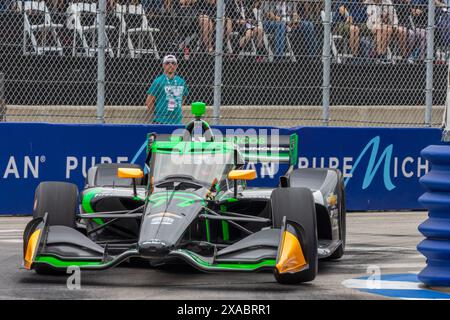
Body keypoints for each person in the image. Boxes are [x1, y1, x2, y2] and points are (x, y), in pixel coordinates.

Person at [146, 55, 189, 124]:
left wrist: (177, 106)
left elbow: (183, 96)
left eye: (173, 63)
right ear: (163, 65)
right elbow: (149, 101)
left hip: (177, 121)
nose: (170, 65)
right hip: (161, 120)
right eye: (167, 63)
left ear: (176, 66)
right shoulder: (158, 81)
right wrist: (158, 113)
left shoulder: (181, 81)